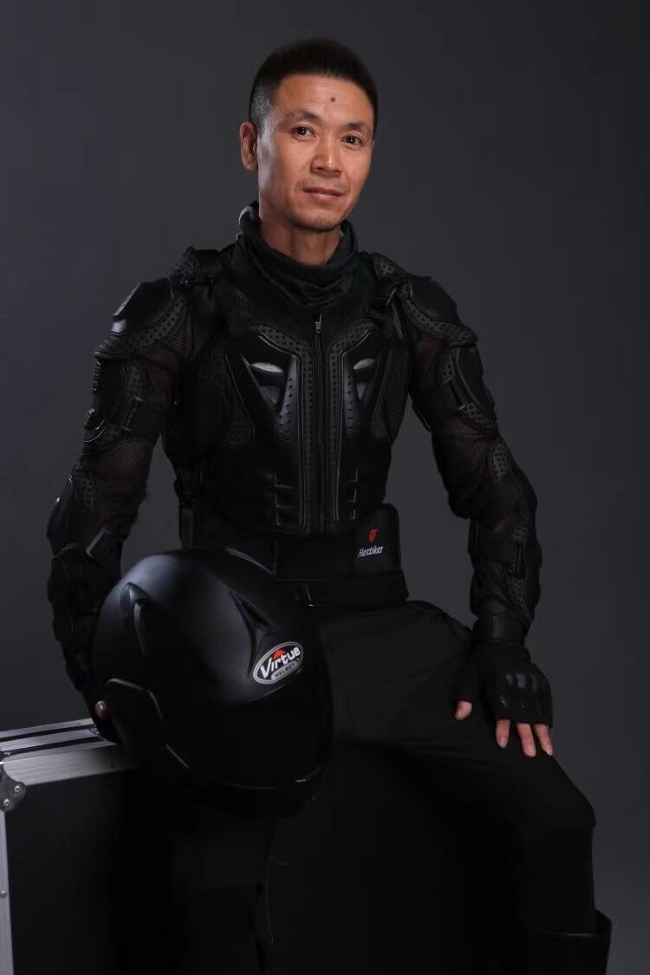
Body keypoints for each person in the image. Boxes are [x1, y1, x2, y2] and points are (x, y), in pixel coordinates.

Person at [46, 37, 612, 974]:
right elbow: (91, 509)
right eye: (304, 131)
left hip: (380, 630)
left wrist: (503, 639)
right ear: (252, 143)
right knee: (211, 883)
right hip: (237, 638)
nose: (328, 161)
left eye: (353, 139)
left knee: (558, 818)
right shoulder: (177, 312)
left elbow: (499, 489)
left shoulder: (408, 311)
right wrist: (99, 672)